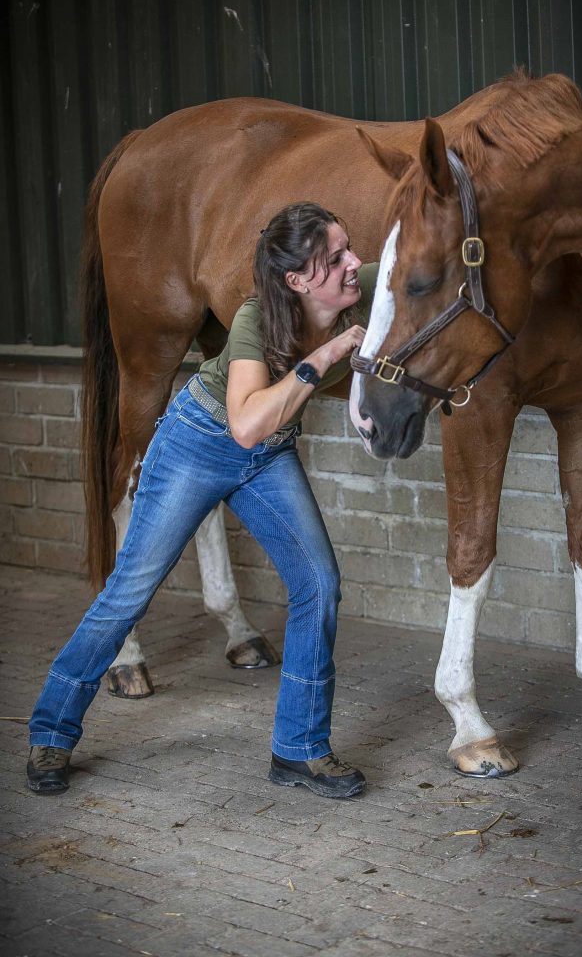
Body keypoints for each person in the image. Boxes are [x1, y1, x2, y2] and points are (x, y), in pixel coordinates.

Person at [27, 202, 379, 800]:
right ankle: (50, 730)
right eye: (338, 257)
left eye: (350, 249)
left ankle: (300, 750)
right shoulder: (256, 319)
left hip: (269, 453)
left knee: (318, 582)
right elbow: (244, 425)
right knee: (128, 592)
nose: (355, 264)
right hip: (202, 441)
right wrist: (324, 356)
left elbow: (416, 262)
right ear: (296, 281)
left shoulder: (359, 284)